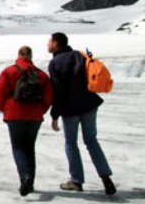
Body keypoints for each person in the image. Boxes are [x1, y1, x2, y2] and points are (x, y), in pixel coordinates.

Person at [47, 32, 116, 195]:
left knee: (71, 143)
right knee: (91, 141)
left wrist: (54, 115)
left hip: (70, 109)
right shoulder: (79, 55)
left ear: (56, 43)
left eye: (49, 42)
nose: (48, 45)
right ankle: (106, 177)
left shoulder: (55, 63)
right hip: (89, 104)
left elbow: (57, 91)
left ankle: (76, 181)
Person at [0, 46, 53, 196]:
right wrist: (41, 110)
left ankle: (24, 177)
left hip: (14, 114)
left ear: (19, 55)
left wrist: (5, 109)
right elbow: (48, 97)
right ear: (31, 56)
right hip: (34, 116)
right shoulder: (41, 75)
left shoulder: (9, 71)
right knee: (29, 148)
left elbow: (0, 94)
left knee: (18, 147)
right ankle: (30, 182)